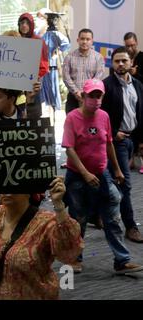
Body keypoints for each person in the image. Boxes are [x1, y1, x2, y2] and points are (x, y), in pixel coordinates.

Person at [63, 78, 143, 274]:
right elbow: (69, 149)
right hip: (77, 176)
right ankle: (74, 259)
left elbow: (108, 144)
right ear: (83, 96)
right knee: (77, 220)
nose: (96, 99)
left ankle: (122, 261)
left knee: (112, 218)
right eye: (92, 95)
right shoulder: (72, 118)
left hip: (102, 174)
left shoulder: (104, 116)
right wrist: (85, 173)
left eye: (99, 96)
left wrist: (116, 169)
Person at [101, 46, 143, 243]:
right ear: (112, 63)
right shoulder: (106, 86)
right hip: (116, 141)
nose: (120, 64)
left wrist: (140, 140)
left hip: (132, 139)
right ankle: (131, 226)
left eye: (124, 61)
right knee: (125, 184)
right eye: (116, 61)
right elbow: (99, 116)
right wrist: (112, 133)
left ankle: (94, 212)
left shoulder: (138, 85)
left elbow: (140, 114)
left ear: (131, 63)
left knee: (110, 182)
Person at [62, 29, 105, 115]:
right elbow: (66, 77)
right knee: (72, 125)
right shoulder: (69, 57)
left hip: (91, 98)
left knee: (90, 126)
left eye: (88, 39)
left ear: (92, 41)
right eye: (82, 39)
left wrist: (87, 93)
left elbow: (98, 78)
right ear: (78, 40)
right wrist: (76, 92)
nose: (84, 42)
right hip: (73, 97)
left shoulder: (98, 58)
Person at [40, 12, 71, 123]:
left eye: (53, 20)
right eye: (50, 20)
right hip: (45, 68)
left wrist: (57, 52)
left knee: (53, 91)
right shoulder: (45, 35)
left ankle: (54, 118)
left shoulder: (55, 35)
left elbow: (67, 43)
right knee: (47, 91)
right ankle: (50, 118)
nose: (51, 22)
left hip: (53, 67)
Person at [18, 13, 49, 118]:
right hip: (16, 83)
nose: (24, 25)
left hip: (33, 83)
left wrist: (33, 77)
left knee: (33, 114)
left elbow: (44, 65)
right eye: (22, 23)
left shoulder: (39, 41)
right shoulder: (15, 40)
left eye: (27, 23)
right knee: (17, 113)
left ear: (31, 25)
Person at [123, 32, 143, 173]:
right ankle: (130, 160)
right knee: (130, 129)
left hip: (142, 97)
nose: (130, 48)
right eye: (127, 45)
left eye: (132, 45)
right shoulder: (123, 58)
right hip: (128, 98)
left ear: (136, 43)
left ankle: (141, 161)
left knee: (142, 129)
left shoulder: (142, 57)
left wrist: (137, 74)